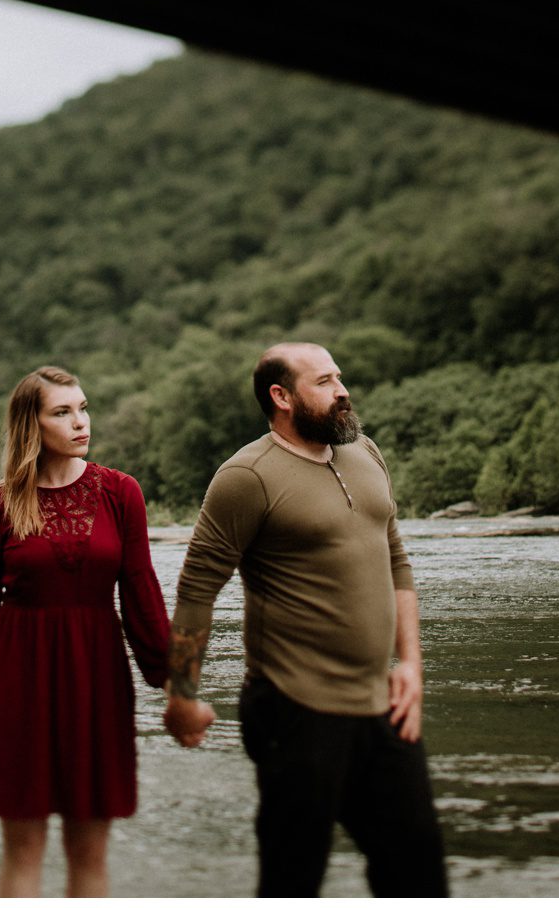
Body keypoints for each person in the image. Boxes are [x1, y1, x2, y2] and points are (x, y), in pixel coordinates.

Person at [161, 342, 448, 897]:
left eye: (340, 376)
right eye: (324, 381)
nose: (342, 390)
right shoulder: (247, 476)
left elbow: (397, 562)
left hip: (383, 706)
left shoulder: (365, 452)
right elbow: (198, 590)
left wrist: (410, 664)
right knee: (294, 881)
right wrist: (181, 693)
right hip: (295, 709)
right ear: (282, 397)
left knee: (418, 876)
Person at [0, 366, 171, 897]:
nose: (80, 422)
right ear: (33, 424)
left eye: (83, 408)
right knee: (23, 853)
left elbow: (141, 593)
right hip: (16, 685)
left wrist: (175, 687)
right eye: (63, 412)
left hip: (96, 681)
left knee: (89, 856)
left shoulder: (121, 492)